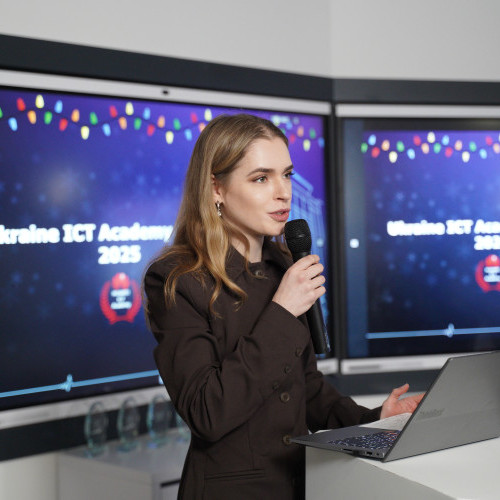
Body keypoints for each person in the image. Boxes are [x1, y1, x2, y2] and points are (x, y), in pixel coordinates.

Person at [143, 113, 423, 500]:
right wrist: (282, 310)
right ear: (216, 188)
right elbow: (207, 412)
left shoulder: (284, 266)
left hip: (302, 485)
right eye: (261, 178)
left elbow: (305, 390)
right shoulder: (177, 279)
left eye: (287, 175)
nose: (283, 193)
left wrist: (374, 420)